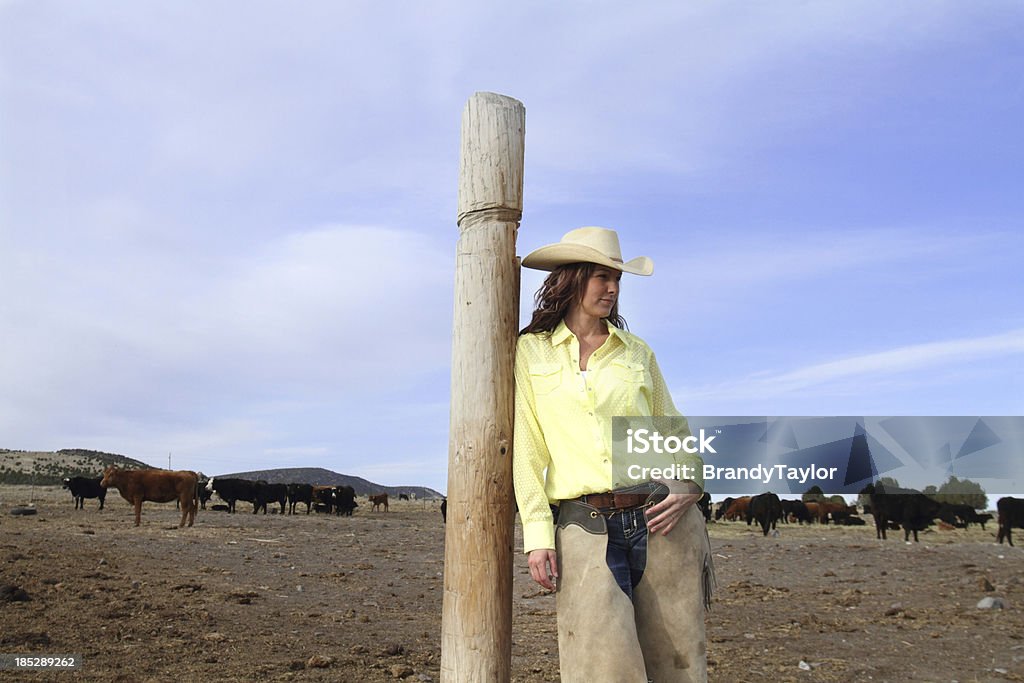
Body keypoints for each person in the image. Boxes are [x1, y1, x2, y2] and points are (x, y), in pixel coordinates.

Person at [513, 226, 714, 683]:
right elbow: (527, 447)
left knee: (679, 665)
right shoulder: (532, 352)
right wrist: (538, 534)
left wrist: (691, 483)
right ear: (572, 279)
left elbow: (675, 432)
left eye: (617, 279)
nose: (613, 288)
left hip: (663, 520)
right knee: (599, 670)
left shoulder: (637, 353)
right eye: (602, 276)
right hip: (584, 526)